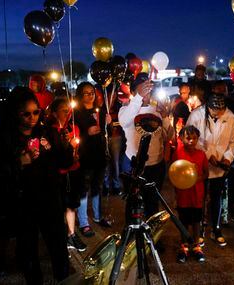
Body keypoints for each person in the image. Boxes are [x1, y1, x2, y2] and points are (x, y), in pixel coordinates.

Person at [0, 87, 72, 284]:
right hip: (22, 205)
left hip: (50, 201)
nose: (32, 117)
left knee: (59, 249)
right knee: (28, 252)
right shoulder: (1, 140)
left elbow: (63, 163)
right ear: (14, 113)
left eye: (36, 112)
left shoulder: (47, 132)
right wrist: (17, 164)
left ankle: (64, 280)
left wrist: (67, 148)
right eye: (26, 113)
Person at [119, 72, 174, 219]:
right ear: (133, 92)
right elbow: (124, 122)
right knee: (133, 203)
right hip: (134, 165)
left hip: (156, 165)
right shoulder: (126, 109)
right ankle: (131, 237)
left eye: (148, 89)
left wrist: (165, 117)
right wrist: (137, 98)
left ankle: (152, 237)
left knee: (152, 204)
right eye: (141, 89)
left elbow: (169, 136)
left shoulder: (158, 110)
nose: (145, 93)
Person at [186, 92, 234, 246]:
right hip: (201, 163)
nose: (219, 113)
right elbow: (190, 138)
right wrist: (208, 155)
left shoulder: (230, 116)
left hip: (220, 165)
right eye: (215, 111)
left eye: (221, 111)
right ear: (208, 107)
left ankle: (216, 229)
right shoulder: (196, 116)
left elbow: (233, 140)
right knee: (200, 198)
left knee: (217, 197)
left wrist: (228, 157)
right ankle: (200, 229)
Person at [75, 82, 113, 238]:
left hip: (100, 155)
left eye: (92, 92)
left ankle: (97, 217)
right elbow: (80, 134)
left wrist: (108, 124)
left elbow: (107, 132)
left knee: (97, 187)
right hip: (85, 156)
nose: (90, 95)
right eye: (86, 93)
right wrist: (88, 132)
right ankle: (84, 223)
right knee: (83, 190)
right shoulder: (77, 113)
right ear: (80, 94)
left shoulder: (102, 111)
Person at [49, 98, 87, 252]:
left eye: (68, 109)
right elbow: (55, 156)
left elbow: (77, 149)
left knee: (71, 205)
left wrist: (75, 153)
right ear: (54, 113)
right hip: (59, 174)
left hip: (73, 171)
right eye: (63, 110)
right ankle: (59, 237)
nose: (67, 112)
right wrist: (67, 146)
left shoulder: (74, 128)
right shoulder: (50, 131)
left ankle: (71, 235)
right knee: (59, 206)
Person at [172, 125, 209, 263]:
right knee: (183, 221)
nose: (191, 141)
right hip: (183, 195)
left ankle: (197, 246)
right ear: (182, 138)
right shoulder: (178, 153)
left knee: (196, 221)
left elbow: (206, 173)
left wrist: (195, 179)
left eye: (194, 138)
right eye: (188, 138)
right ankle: (184, 247)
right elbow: (173, 173)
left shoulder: (201, 154)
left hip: (197, 194)